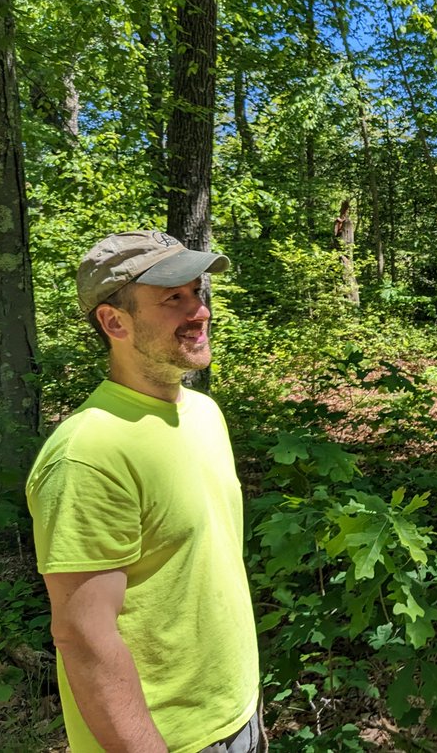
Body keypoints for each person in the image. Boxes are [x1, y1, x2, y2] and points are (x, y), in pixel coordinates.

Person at [26, 231, 264, 753]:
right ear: (115, 322)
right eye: (172, 298)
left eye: (196, 292)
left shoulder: (203, 413)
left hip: (238, 712)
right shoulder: (88, 453)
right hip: (167, 739)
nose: (199, 311)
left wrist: (246, 703)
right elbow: (84, 639)